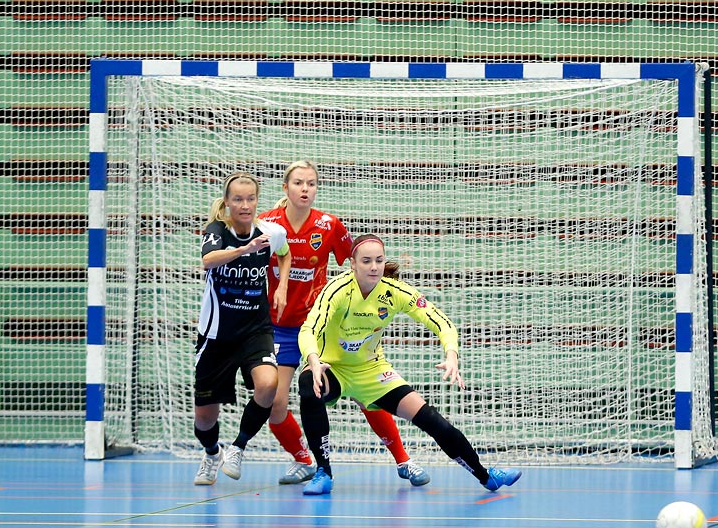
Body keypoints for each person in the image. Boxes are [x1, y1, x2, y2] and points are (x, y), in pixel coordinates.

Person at [295, 232, 521, 496]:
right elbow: (309, 328)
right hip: (332, 368)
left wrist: (451, 354)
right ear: (352, 264)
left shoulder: (394, 292)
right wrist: (313, 360)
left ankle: (486, 476)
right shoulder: (337, 290)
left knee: (433, 420)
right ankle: (324, 471)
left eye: (379, 260)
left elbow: (441, 322)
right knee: (308, 385)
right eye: (366, 261)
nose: (374, 266)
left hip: (372, 371)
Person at [258, 161, 427, 488]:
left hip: (322, 326)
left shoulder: (329, 224)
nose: (305, 189)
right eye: (298, 183)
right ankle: (304, 459)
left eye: (311, 183)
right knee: (275, 404)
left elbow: (359, 260)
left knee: (367, 395)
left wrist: (384, 272)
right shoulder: (268, 225)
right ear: (285, 188)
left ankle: (404, 460)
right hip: (279, 327)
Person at [192, 172, 287, 486]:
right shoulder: (217, 230)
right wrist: (245, 250)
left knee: (269, 385)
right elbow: (209, 260)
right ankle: (211, 453)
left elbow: (284, 254)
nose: (245, 205)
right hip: (216, 335)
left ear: (257, 201)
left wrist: (281, 285)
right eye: (238, 199)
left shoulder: (270, 232)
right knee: (205, 419)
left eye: (250, 199)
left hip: (254, 330)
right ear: (228, 202)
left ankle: (239, 446)